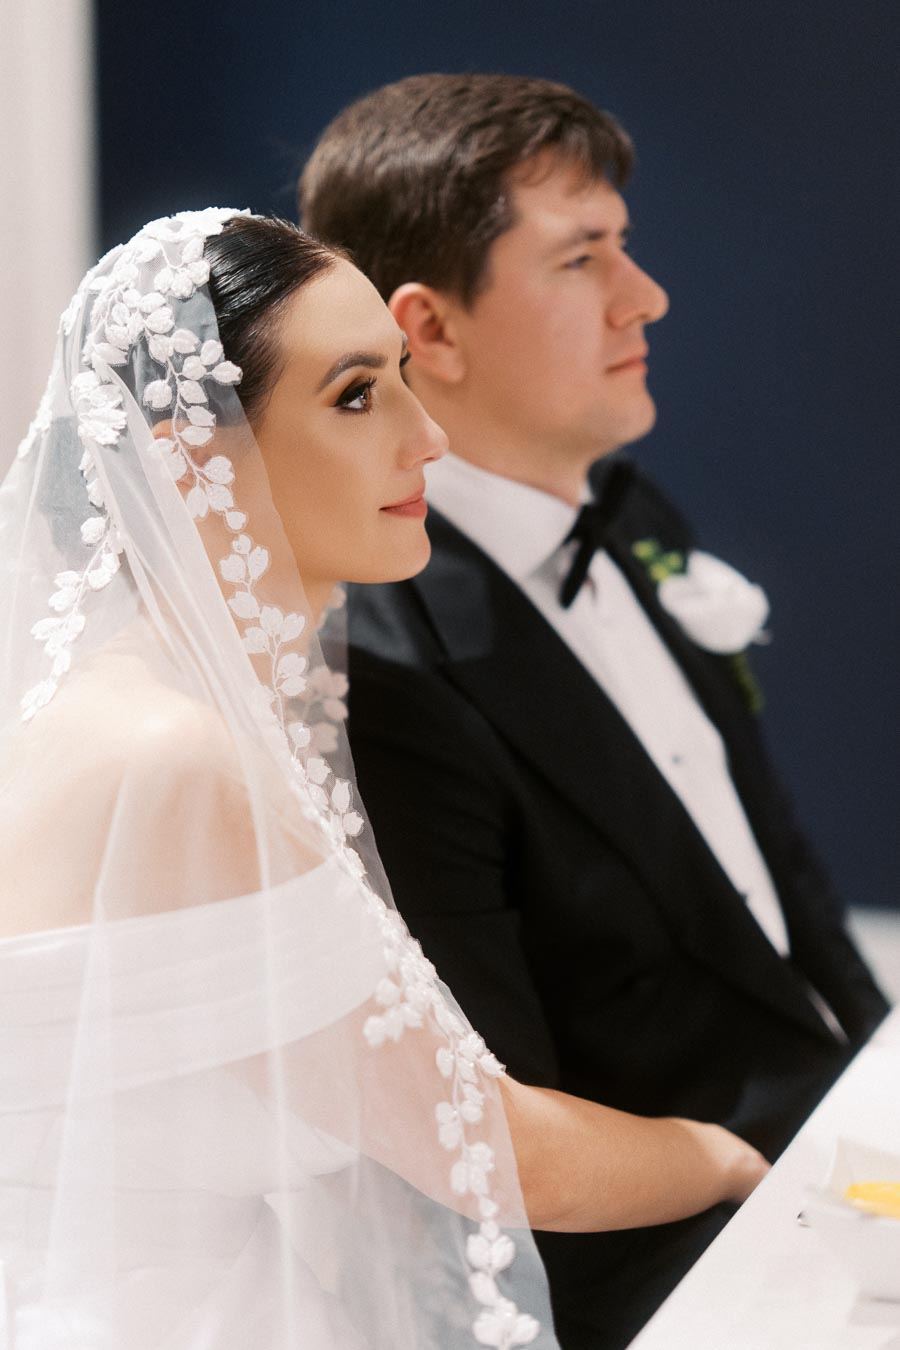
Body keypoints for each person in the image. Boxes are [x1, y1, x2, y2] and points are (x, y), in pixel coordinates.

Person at [0, 209, 768, 1350]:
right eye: (357, 395)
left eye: (403, 379)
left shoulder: (178, 708)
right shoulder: (176, 758)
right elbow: (495, 1151)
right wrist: (730, 1157)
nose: (427, 438)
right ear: (189, 454)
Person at [298, 74, 890, 1349]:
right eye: (584, 257)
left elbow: (785, 889)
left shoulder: (637, 524)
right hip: (691, 1278)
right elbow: (493, 1131)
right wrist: (793, 1189)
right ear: (430, 334)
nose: (646, 296)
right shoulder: (390, 685)